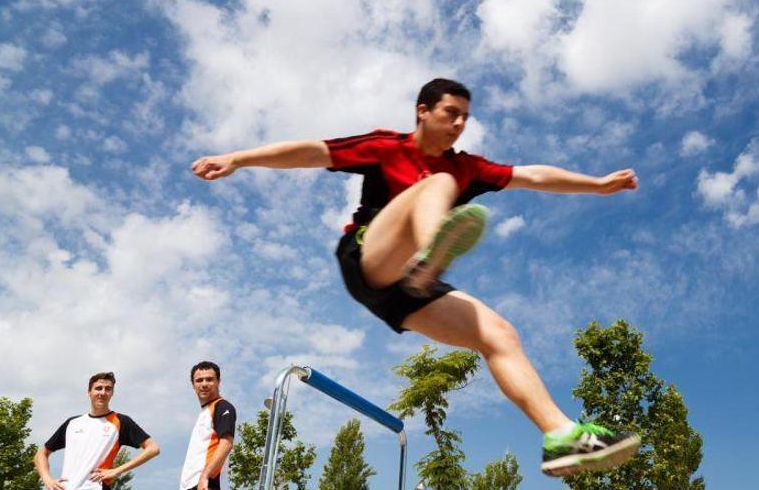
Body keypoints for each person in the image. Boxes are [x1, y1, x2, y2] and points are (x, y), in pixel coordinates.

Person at [191, 78, 640, 476]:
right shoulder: (388, 147)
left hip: (411, 291)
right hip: (372, 255)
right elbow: (313, 151)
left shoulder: (470, 166)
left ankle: (562, 435)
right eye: (451, 113)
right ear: (422, 112)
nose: (460, 124)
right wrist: (239, 157)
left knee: (499, 334)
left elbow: (533, 175)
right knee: (438, 185)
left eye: (466, 117)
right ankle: (429, 255)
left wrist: (598, 185)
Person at [34, 372, 160, 490]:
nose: (103, 392)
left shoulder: (121, 421)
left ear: (112, 393)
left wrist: (117, 470)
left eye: (108, 389)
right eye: (98, 388)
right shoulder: (72, 423)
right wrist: (47, 480)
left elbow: (153, 448)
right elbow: (41, 453)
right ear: (89, 392)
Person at [179, 361, 236, 490]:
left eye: (209, 379)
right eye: (199, 380)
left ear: (218, 382)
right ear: (193, 385)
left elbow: (226, 443)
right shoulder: (205, 413)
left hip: (206, 483)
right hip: (191, 485)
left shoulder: (222, 407)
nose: (204, 384)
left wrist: (205, 476)